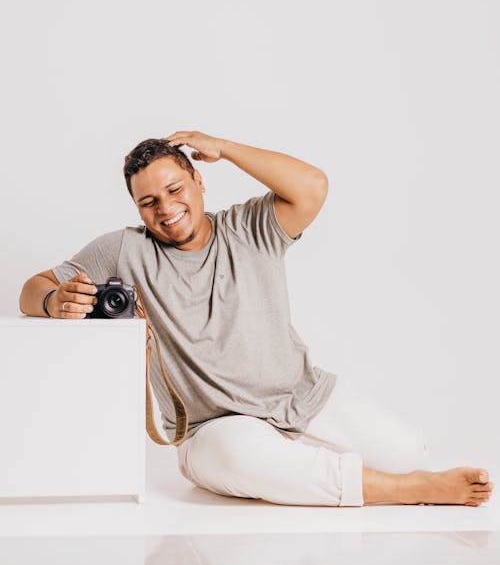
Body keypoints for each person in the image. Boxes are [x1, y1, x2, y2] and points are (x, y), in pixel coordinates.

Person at [19, 131, 494, 508]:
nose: (166, 208)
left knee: (411, 454)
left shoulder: (250, 226)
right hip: (216, 428)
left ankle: (323, 471)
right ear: (137, 209)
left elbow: (313, 186)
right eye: (148, 202)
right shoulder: (123, 249)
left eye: (174, 188)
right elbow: (30, 289)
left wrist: (223, 147)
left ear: (198, 182)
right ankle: (403, 491)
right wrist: (54, 301)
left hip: (300, 396)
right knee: (240, 457)